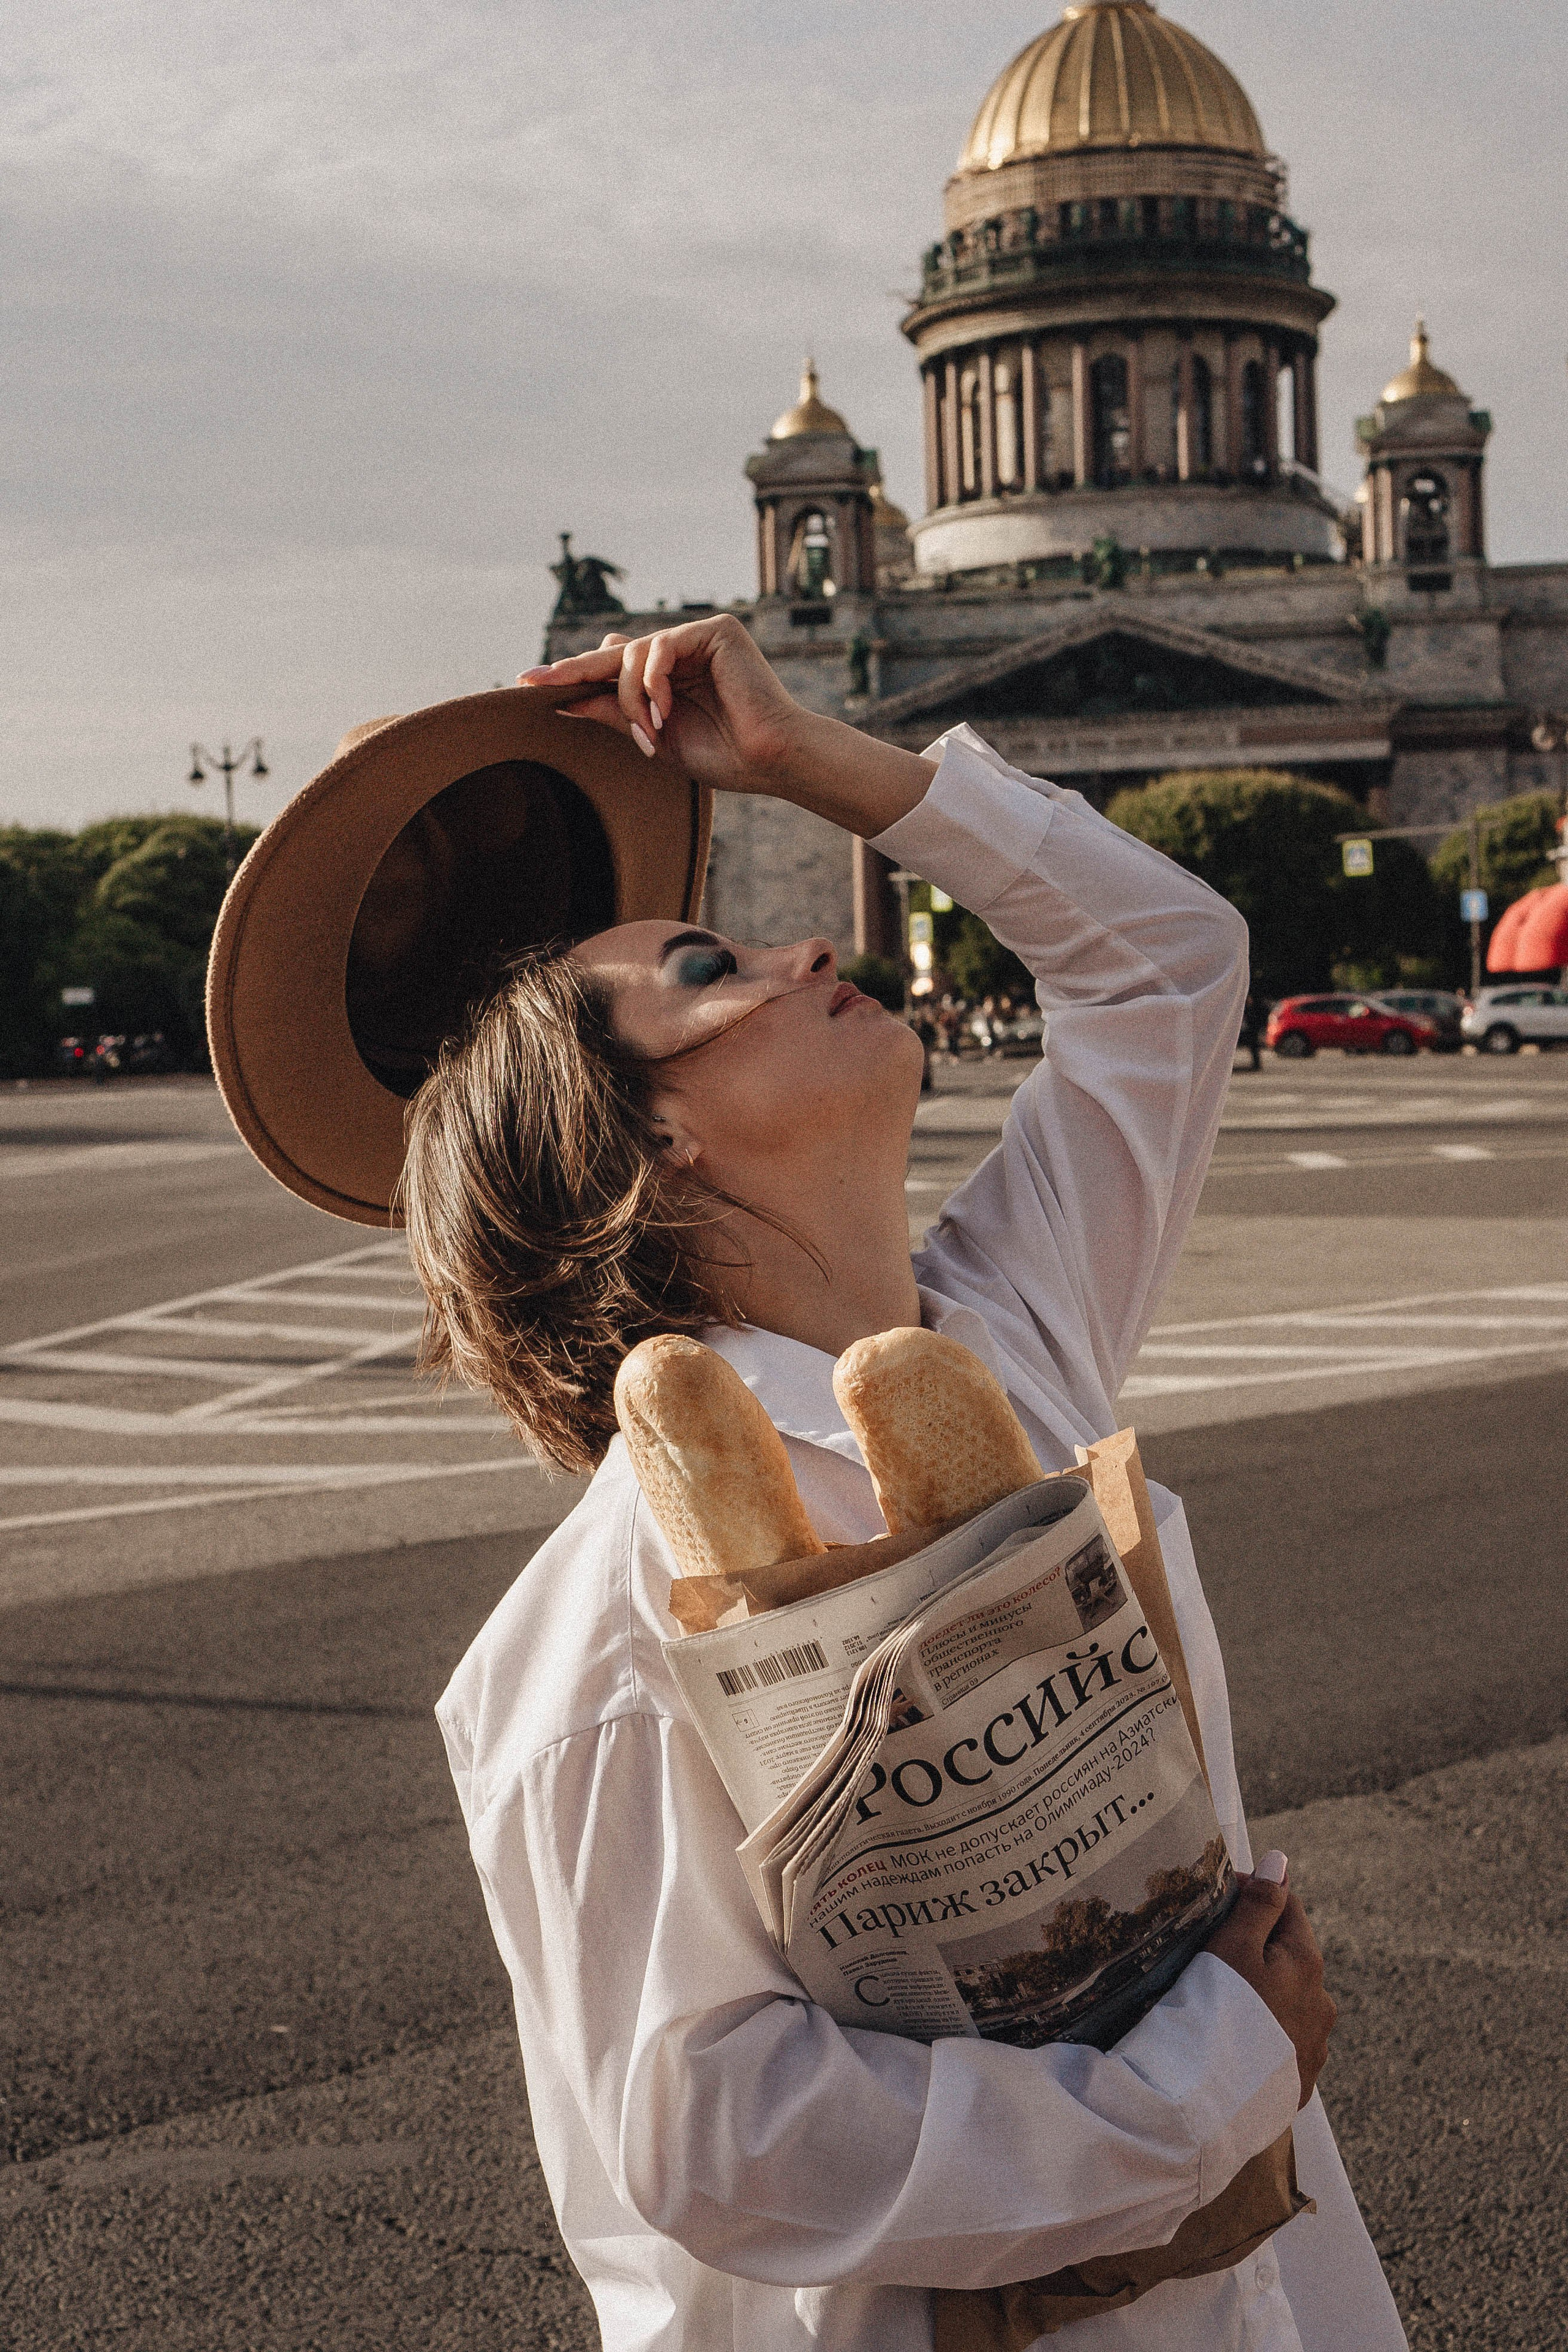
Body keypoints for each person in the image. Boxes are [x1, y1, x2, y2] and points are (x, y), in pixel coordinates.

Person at [401, 614, 1404, 2352]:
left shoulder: (1006, 1339)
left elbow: (1169, 965)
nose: (801, 948)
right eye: (713, 969)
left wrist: (816, 758)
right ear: (648, 1138)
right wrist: (1208, 2078)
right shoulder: (615, 1607)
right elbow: (715, 2129)